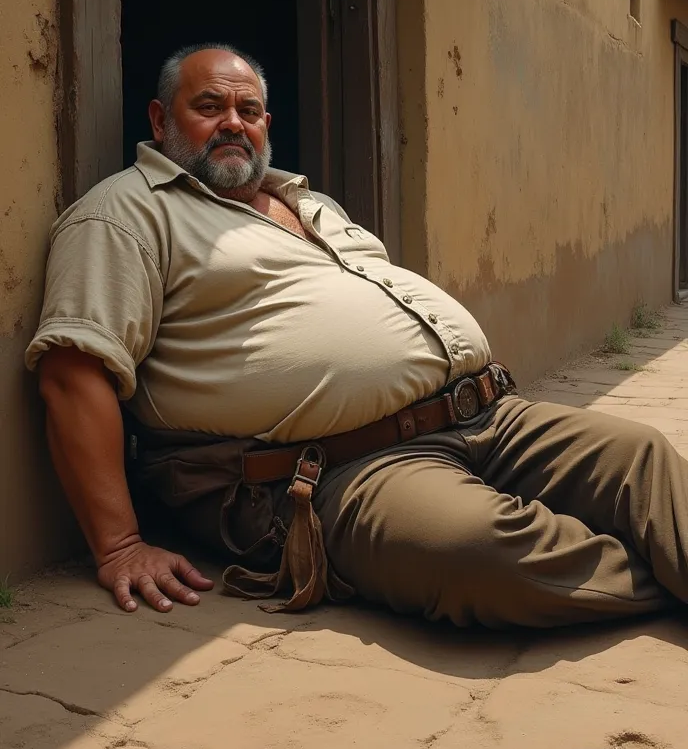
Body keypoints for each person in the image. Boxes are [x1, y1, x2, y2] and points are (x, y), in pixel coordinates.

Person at [27, 44, 688, 627]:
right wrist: (118, 545)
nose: (233, 123)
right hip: (337, 466)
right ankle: (658, 574)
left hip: (488, 414)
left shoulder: (309, 201)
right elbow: (72, 374)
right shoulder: (125, 214)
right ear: (160, 120)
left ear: (266, 126)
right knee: (476, 551)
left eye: (249, 111)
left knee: (641, 456)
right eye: (209, 106)